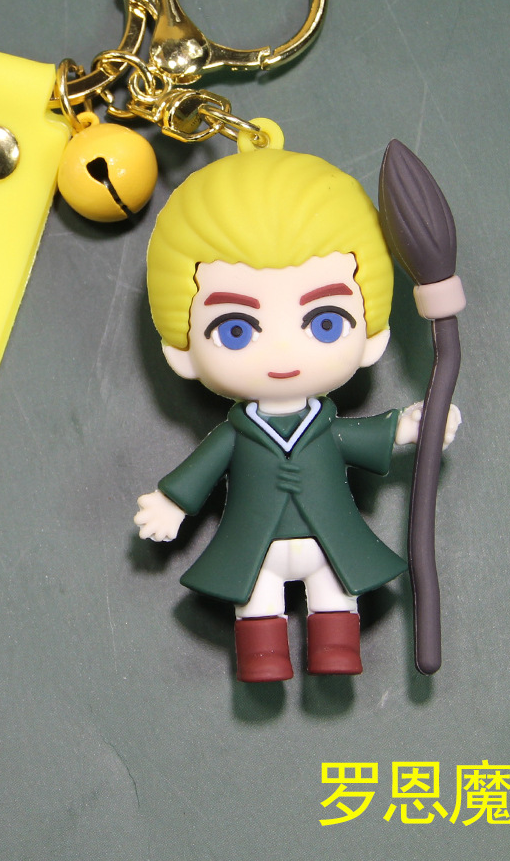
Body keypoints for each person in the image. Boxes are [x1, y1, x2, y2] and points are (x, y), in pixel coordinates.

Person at [135, 145, 460, 681]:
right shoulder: (236, 433)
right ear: (183, 352)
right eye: (235, 329)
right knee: (256, 599)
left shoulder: (325, 428)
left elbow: (359, 437)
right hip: (255, 545)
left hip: (327, 538)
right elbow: (204, 468)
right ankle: (262, 657)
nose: (283, 352)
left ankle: (336, 649)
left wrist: (410, 428)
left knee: (335, 590)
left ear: (371, 337)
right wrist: (173, 503)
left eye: (325, 322)